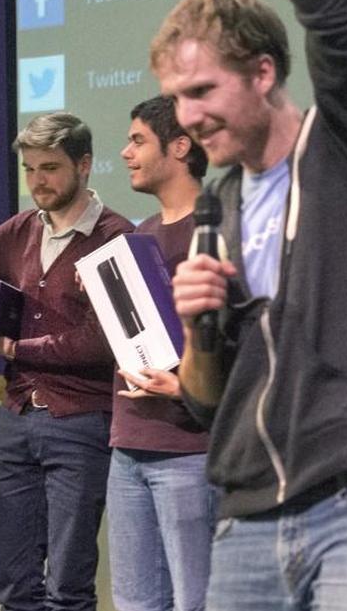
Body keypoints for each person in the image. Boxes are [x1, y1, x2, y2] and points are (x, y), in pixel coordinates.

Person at [151, 0, 347, 609]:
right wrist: (195, 329)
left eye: (203, 90)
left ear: (263, 73)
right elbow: (207, 403)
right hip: (249, 514)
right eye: (177, 98)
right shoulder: (221, 206)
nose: (189, 118)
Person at [0, 112, 133, 611]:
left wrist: (14, 349)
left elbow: (102, 343)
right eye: (30, 169)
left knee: (68, 587)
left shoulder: (115, 236)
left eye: (50, 168)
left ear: (84, 165)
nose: (38, 181)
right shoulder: (21, 229)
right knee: (14, 585)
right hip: (15, 420)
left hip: (82, 422)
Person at [107, 95, 214, 611]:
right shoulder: (138, 235)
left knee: (196, 601)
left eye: (137, 141)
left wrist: (187, 387)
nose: (126, 153)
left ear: (179, 146)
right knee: (135, 603)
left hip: (189, 450)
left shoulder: (219, 231)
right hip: (128, 445)